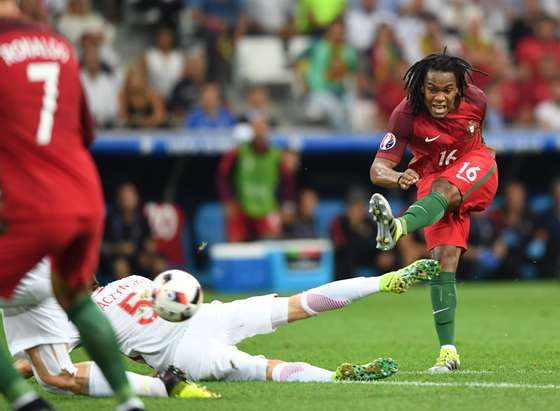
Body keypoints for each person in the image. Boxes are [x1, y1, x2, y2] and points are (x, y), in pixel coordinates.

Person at [0, 1, 143, 410]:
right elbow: (84, 130)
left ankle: (23, 400)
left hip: (35, 201)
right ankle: (128, 400)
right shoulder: (60, 46)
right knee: (77, 297)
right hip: (84, 193)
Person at [12, 259, 441, 386]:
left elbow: (39, 366)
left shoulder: (77, 318)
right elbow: (174, 288)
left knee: (261, 368)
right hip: (210, 313)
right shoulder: (131, 279)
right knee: (294, 306)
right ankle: (381, 282)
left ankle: (334, 379)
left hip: (185, 353)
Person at [368, 51, 499, 373]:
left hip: (476, 165)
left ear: (459, 89)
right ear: (421, 88)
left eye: (446, 90)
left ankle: (397, 227)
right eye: (432, 90)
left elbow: (474, 134)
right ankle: (448, 353)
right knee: (442, 259)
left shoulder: (478, 101)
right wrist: (398, 177)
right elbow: (377, 168)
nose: (439, 97)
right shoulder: (405, 114)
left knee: (445, 188)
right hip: (431, 179)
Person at [1, 259, 219, 400]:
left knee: (52, 374)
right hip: (197, 328)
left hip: (23, 270)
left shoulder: (79, 310)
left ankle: (162, 386)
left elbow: (27, 366)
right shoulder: (133, 280)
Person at [217, 115, 296, 242]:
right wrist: (228, 201)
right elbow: (222, 176)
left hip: (267, 209)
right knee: (234, 244)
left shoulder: (278, 155)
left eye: (262, 128)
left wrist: (287, 207)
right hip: (242, 208)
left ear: (267, 130)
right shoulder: (238, 151)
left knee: (272, 246)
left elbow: (288, 182)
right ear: (252, 130)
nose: (259, 132)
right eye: (256, 127)